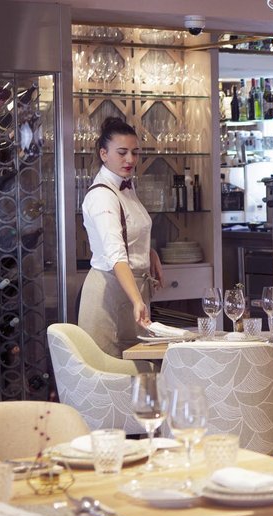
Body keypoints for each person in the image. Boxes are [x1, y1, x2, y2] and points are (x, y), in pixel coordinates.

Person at [78, 117, 163, 357]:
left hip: (133, 292)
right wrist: (137, 301)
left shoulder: (126, 185)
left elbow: (132, 229)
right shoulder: (102, 196)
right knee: (113, 371)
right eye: (122, 152)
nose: (130, 160)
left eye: (135, 153)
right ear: (104, 154)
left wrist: (149, 252)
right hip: (110, 294)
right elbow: (115, 254)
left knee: (137, 370)